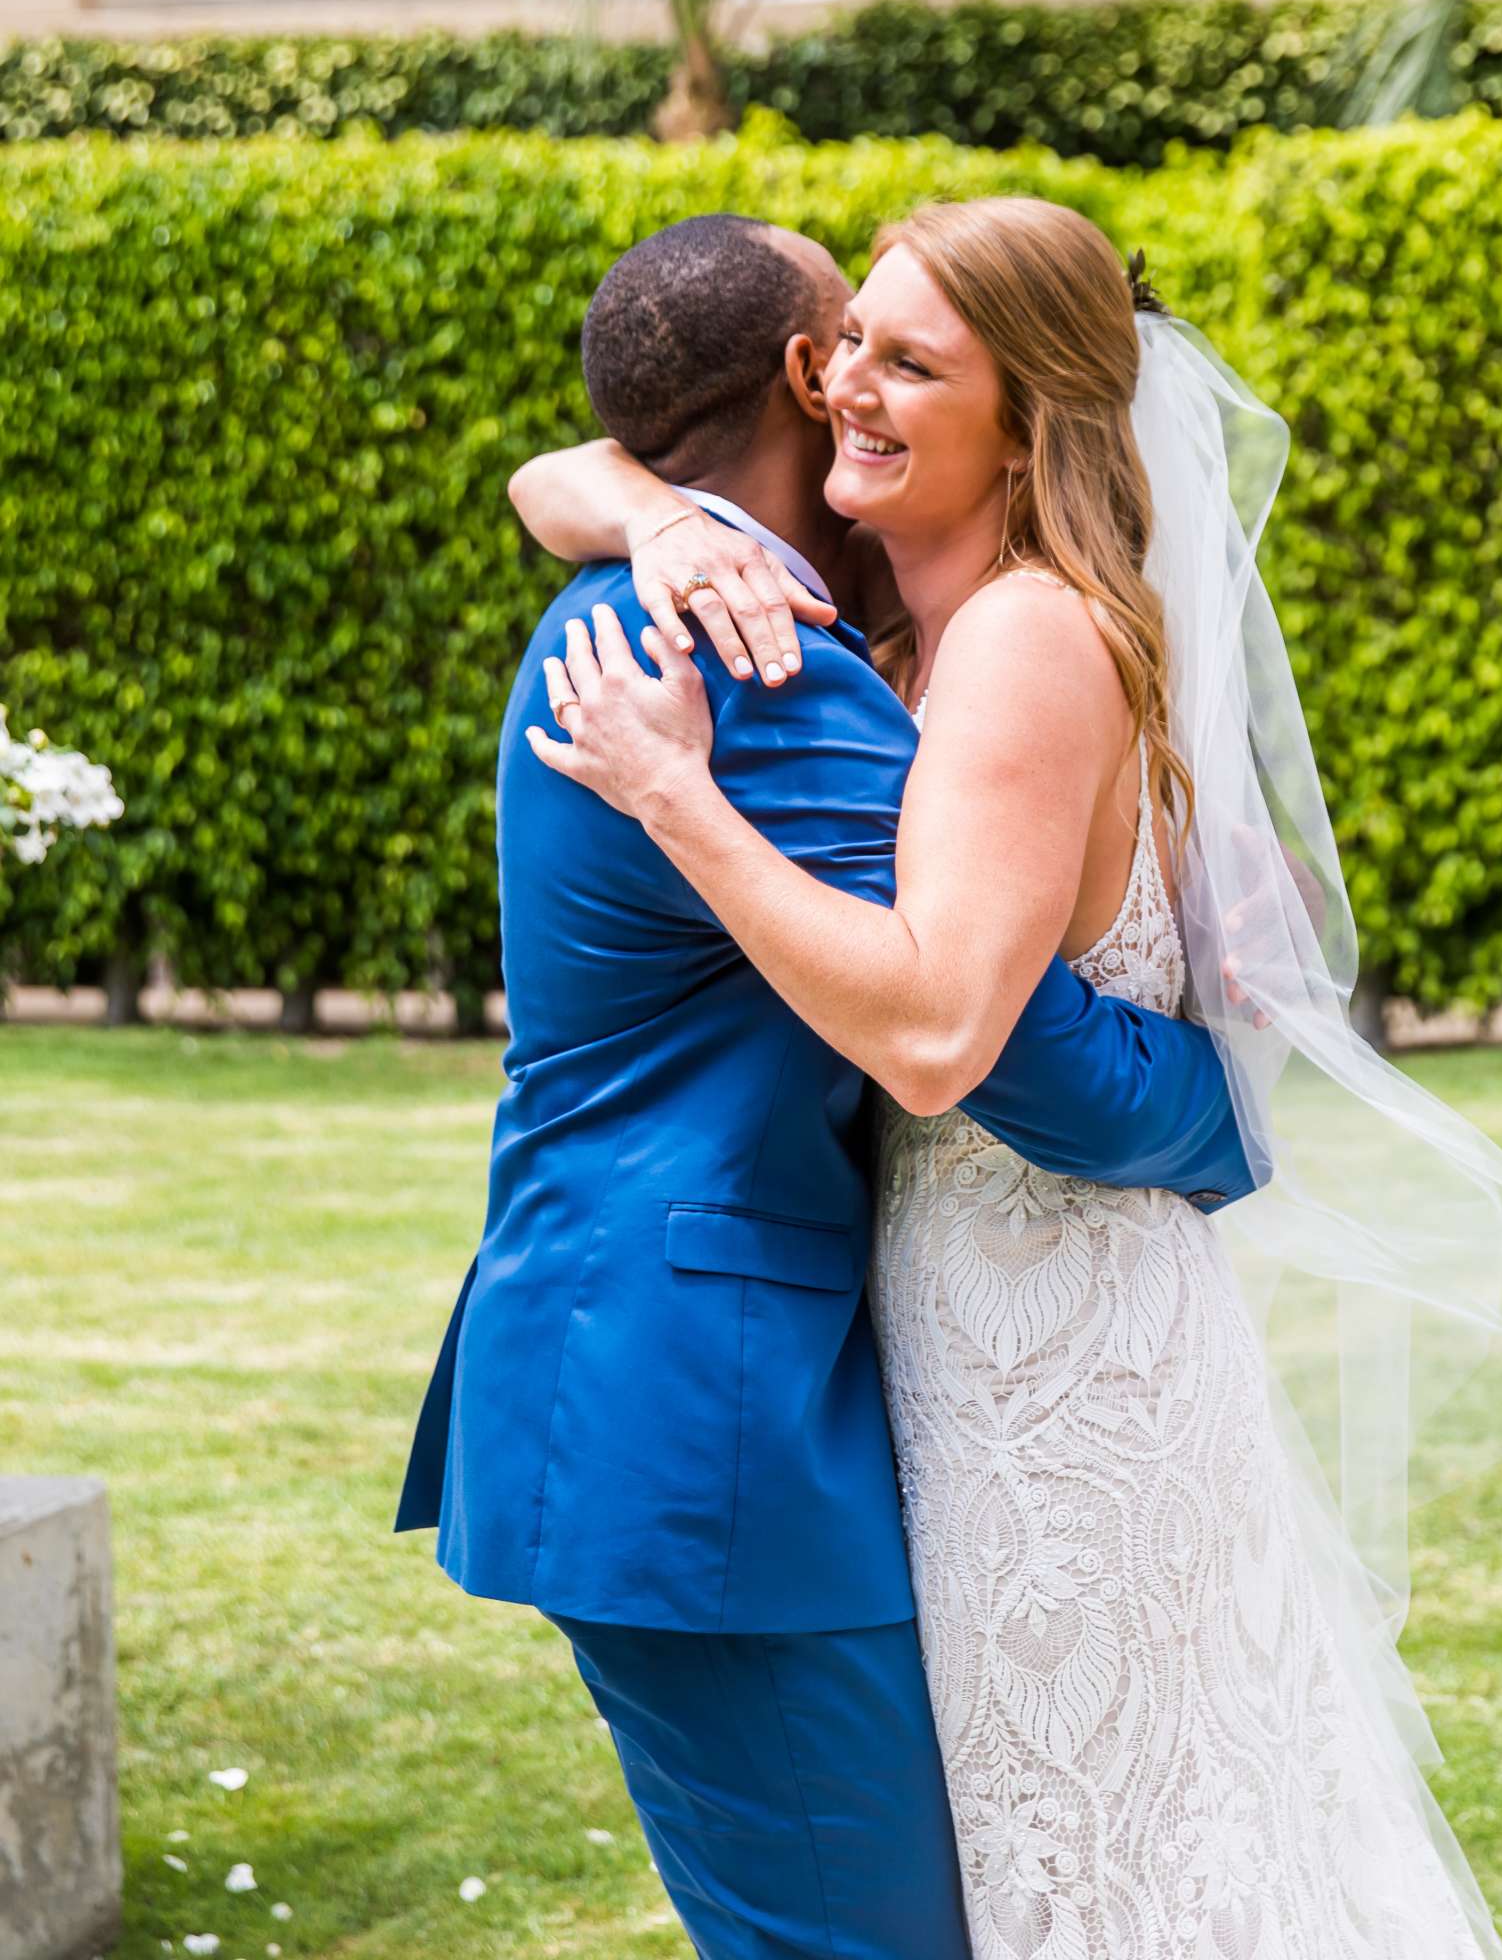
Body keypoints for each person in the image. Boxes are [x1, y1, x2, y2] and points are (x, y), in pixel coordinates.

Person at [526, 197, 1502, 1960]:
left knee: (1125, 1851)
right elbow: (561, 472)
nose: (847, 382)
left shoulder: (1017, 637)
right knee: (1064, 1856)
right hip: (960, 1329)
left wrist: (678, 800)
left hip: (1058, 1351)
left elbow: (947, 1037)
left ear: (1026, 424)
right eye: (848, 341)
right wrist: (645, 506)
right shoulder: (874, 620)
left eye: (907, 360)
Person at [394, 211, 1254, 1960]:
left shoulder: (670, 573)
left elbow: (559, 478)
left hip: (677, 1388)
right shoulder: (753, 660)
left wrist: (627, 497)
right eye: (849, 337)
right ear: (808, 373)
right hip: (704, 1420)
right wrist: (1227, 1113)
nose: (863, 369)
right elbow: (1009, 1049)